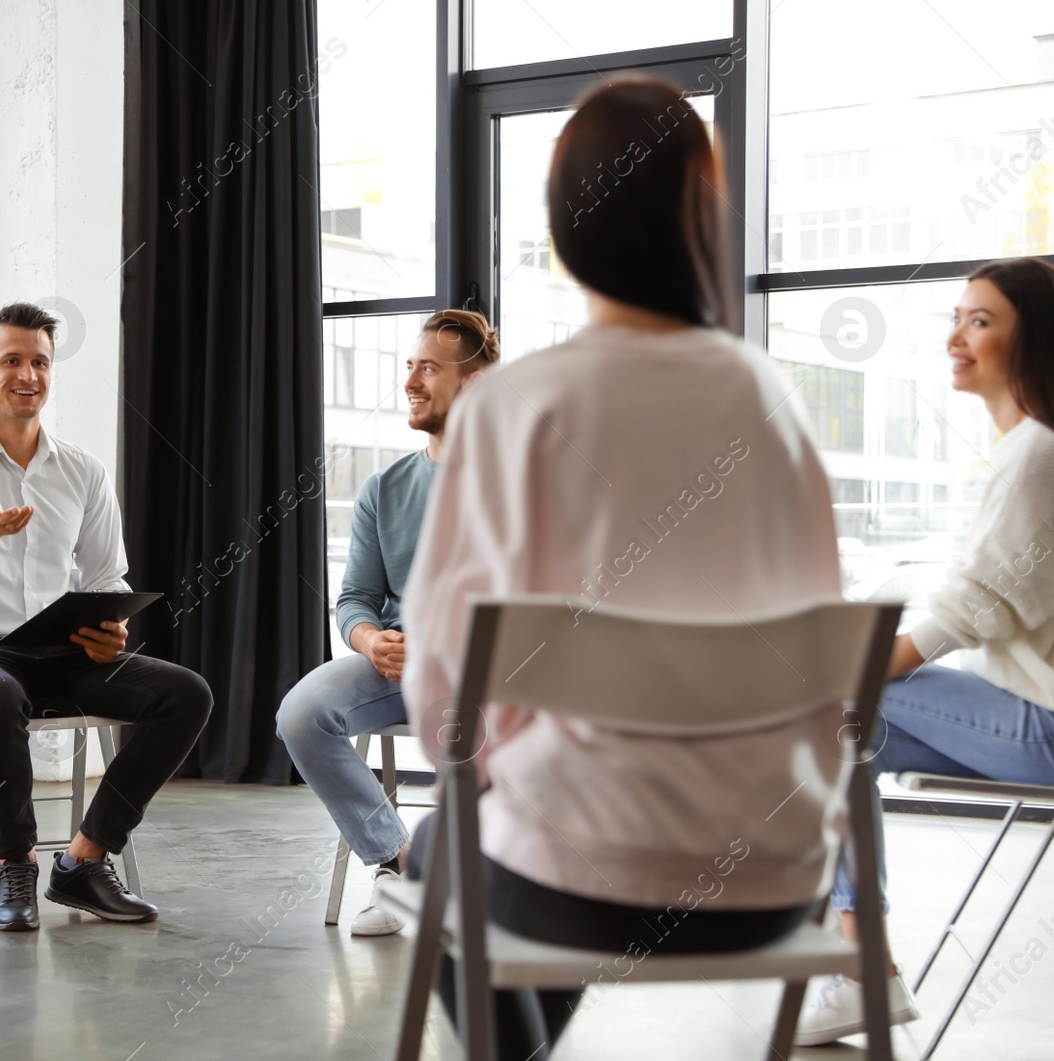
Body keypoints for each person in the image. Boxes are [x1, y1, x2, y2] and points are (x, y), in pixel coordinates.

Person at [400, 79, 850, 1058]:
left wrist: (508, 766)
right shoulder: (773, 398)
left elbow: (443, 689)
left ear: (564, 222)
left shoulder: (514, 404)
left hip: (575, 876)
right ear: (704, 215)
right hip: (773, 879)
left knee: (442, 846)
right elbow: (824, 663)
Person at [795, 257, 1054, 1045]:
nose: (956, 337)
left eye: (981, 320)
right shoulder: (1025, 449)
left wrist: (858, 661)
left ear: (1032, 337)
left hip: (1042, 727)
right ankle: (854, 957)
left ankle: (858, 962)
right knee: (828, 731)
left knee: (824, 700)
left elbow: (969, 608)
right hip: (1024, 715)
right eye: (957, 316)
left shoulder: (1037, 450)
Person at [0, 301, 213, 931]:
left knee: (184, 693)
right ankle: (15, 864)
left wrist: (113, 629)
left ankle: (83, 860)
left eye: (40, 361)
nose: (28, 374)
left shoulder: (82, 471)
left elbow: (107, 577)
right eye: (11, 361)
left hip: (60, 653)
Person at [276, 310, 495, 936]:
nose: (411, 382)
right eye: (410, 366)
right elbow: (355, 599)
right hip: (401, 666)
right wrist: (371, 639)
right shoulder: (384, 487)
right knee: (301, 714)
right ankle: (401, 864)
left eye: (429, 368)